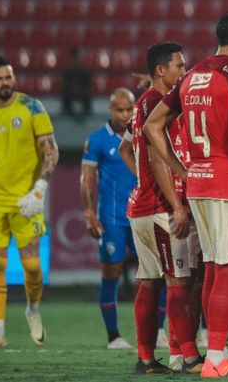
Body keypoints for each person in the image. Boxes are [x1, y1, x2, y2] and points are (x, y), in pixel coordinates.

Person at [143, 12, 228, 378]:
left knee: (214, 267)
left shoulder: (191, 75)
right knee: (227, 270)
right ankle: (215, 358)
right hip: (226, 183)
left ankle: (215, 354)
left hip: (198, 181)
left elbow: (153, 125)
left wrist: (182, 167)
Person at [119, 42, 202, 374]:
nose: (184, 71)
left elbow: (126, 149)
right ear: (160, 70)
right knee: (177, 281)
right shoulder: (159, 104)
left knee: (150, 281)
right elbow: (154, 156)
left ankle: (145, 358)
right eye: (180, 66)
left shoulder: (141, 104)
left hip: (142, 206)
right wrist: (175, 204)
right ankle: (188, 356)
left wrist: (143, 179)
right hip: (159, 210)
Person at [0, 56, 59, 349]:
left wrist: (39, 189)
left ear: (14, 79)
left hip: (26, 200)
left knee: (34, 268)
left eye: (8, 77)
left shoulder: (32, 107)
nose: (4, 83)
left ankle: (32, 310)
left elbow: (51, 151)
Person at [80, 88, 137, 349]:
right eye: (120, 110)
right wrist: (89, 212)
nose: (126, 115)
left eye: (129, 109)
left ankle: (159, 332)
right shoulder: (98, 140)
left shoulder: (146, 132)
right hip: (113, 217)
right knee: (112, 271)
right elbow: (87, 177)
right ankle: (113, 335)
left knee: (157, 273)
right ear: (111, 110)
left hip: (144, 213)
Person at [61, 47, 93, 119]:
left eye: (77, 59)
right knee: (65, 94)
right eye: (74, 59)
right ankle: (67, 112)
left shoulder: (85, 72)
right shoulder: (67, 72)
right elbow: (65, 85)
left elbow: (89, 84)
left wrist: (80, 90)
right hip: (70, 91)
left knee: (87, 94)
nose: (75, 61)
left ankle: (87, 113)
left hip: (83, 91)